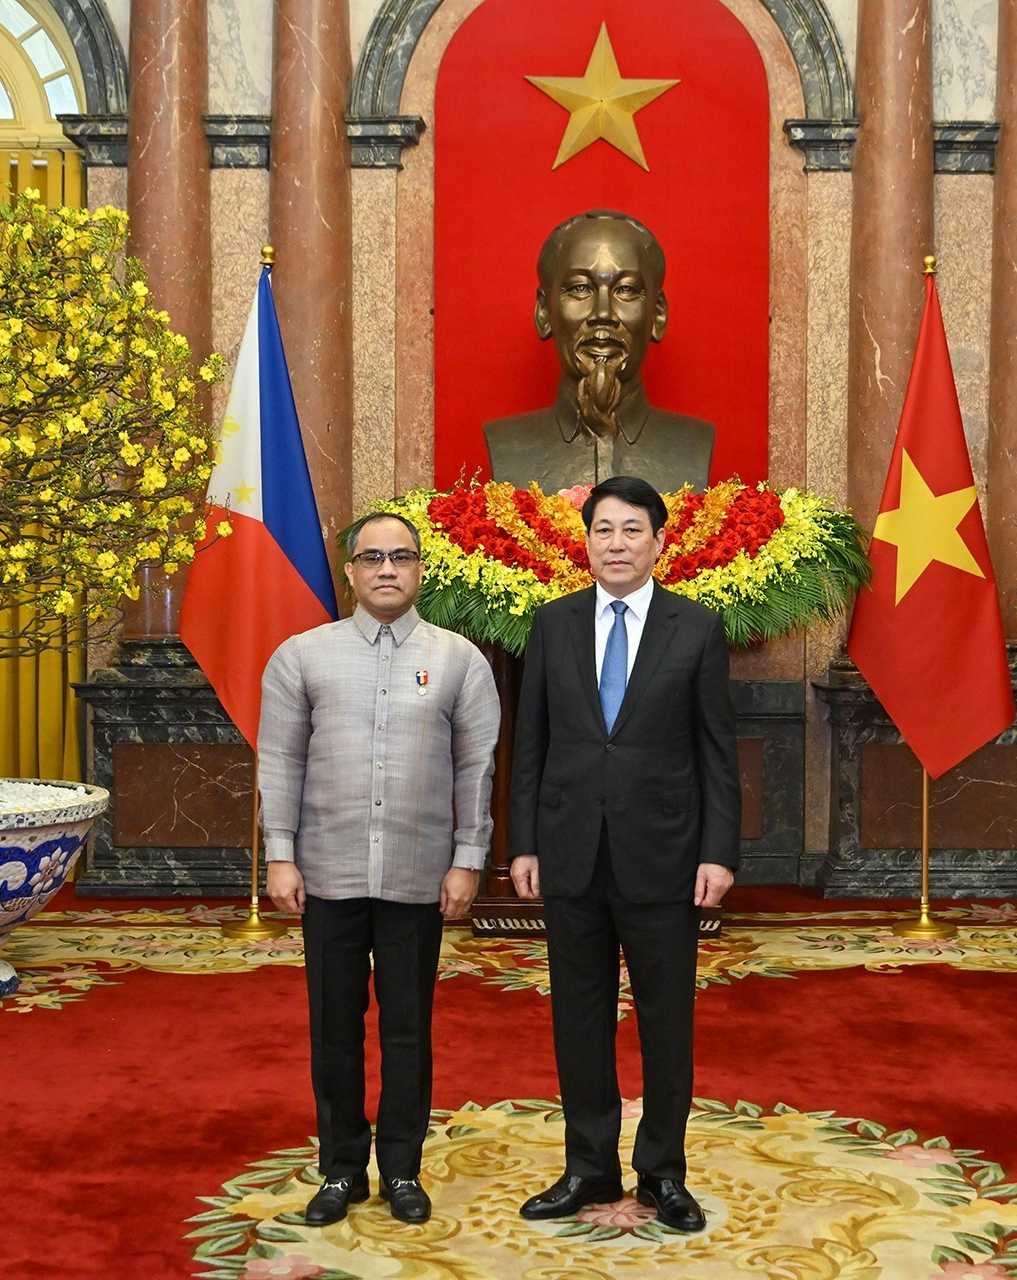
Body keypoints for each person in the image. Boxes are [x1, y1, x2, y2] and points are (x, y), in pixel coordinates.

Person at [507, 473, 740, 1233]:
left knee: (666, 1023)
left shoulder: (695, 627)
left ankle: (663, 1172)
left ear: (659, 542)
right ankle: (588, 1166)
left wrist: (718, 852)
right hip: (571, 851)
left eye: (632, 529)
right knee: (578, 1019)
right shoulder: (553, 623)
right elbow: (531, 742)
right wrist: (523, 842)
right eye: (603, 529)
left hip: (665, 856)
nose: (616, 543)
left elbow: (716, 751)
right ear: (585, 542)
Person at [258, 512, 502, 1227]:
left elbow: (477, 770)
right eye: (372, 558)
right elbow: (281, 761)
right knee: (334, 1029)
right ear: (351, 572)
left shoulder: (459, 660)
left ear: (421, 568)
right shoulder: (302, 655)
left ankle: (401, 1168)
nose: (387, 569)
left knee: (407, 1029)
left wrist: (467, 860)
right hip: (327, 872)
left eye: (401, 557)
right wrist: (280, 853)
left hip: (417, 876)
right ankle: (341, 1169)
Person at [484, 210, 715, 493]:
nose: (603, 313)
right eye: (580, 288)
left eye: (626, 290)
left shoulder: (694, 445)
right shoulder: (508, 445)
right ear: (544, 312)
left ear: (657, 314)